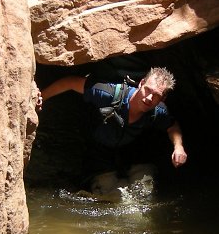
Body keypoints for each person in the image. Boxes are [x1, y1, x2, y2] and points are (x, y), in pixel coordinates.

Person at [36, 67, 187, 198]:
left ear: (163, 98)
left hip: (132, 151)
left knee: (144, 194)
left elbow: (172, 126)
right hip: (99, 150)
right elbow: (69, 82)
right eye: (148, 90)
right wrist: (41, 97)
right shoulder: (108, 93)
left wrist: (178, 147)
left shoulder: (159, 111)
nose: (149, 98)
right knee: (112, 197)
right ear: (141, 83)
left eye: (156, 96)